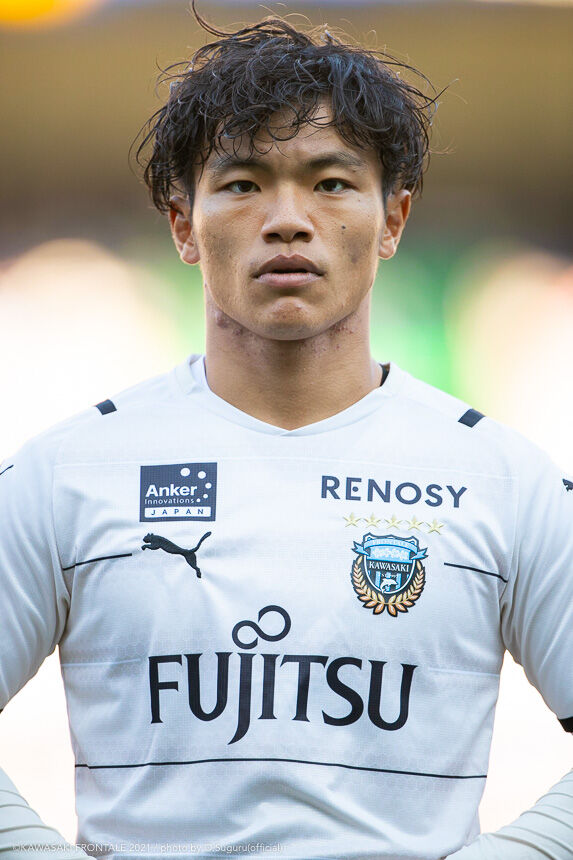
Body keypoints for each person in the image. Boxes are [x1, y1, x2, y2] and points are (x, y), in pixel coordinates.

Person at [0, 5, 572, 860]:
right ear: (182, 224)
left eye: (330, 182)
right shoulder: (66, 472)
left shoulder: (505, 480)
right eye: (242, 183)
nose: (287, 219)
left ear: (393, 220)